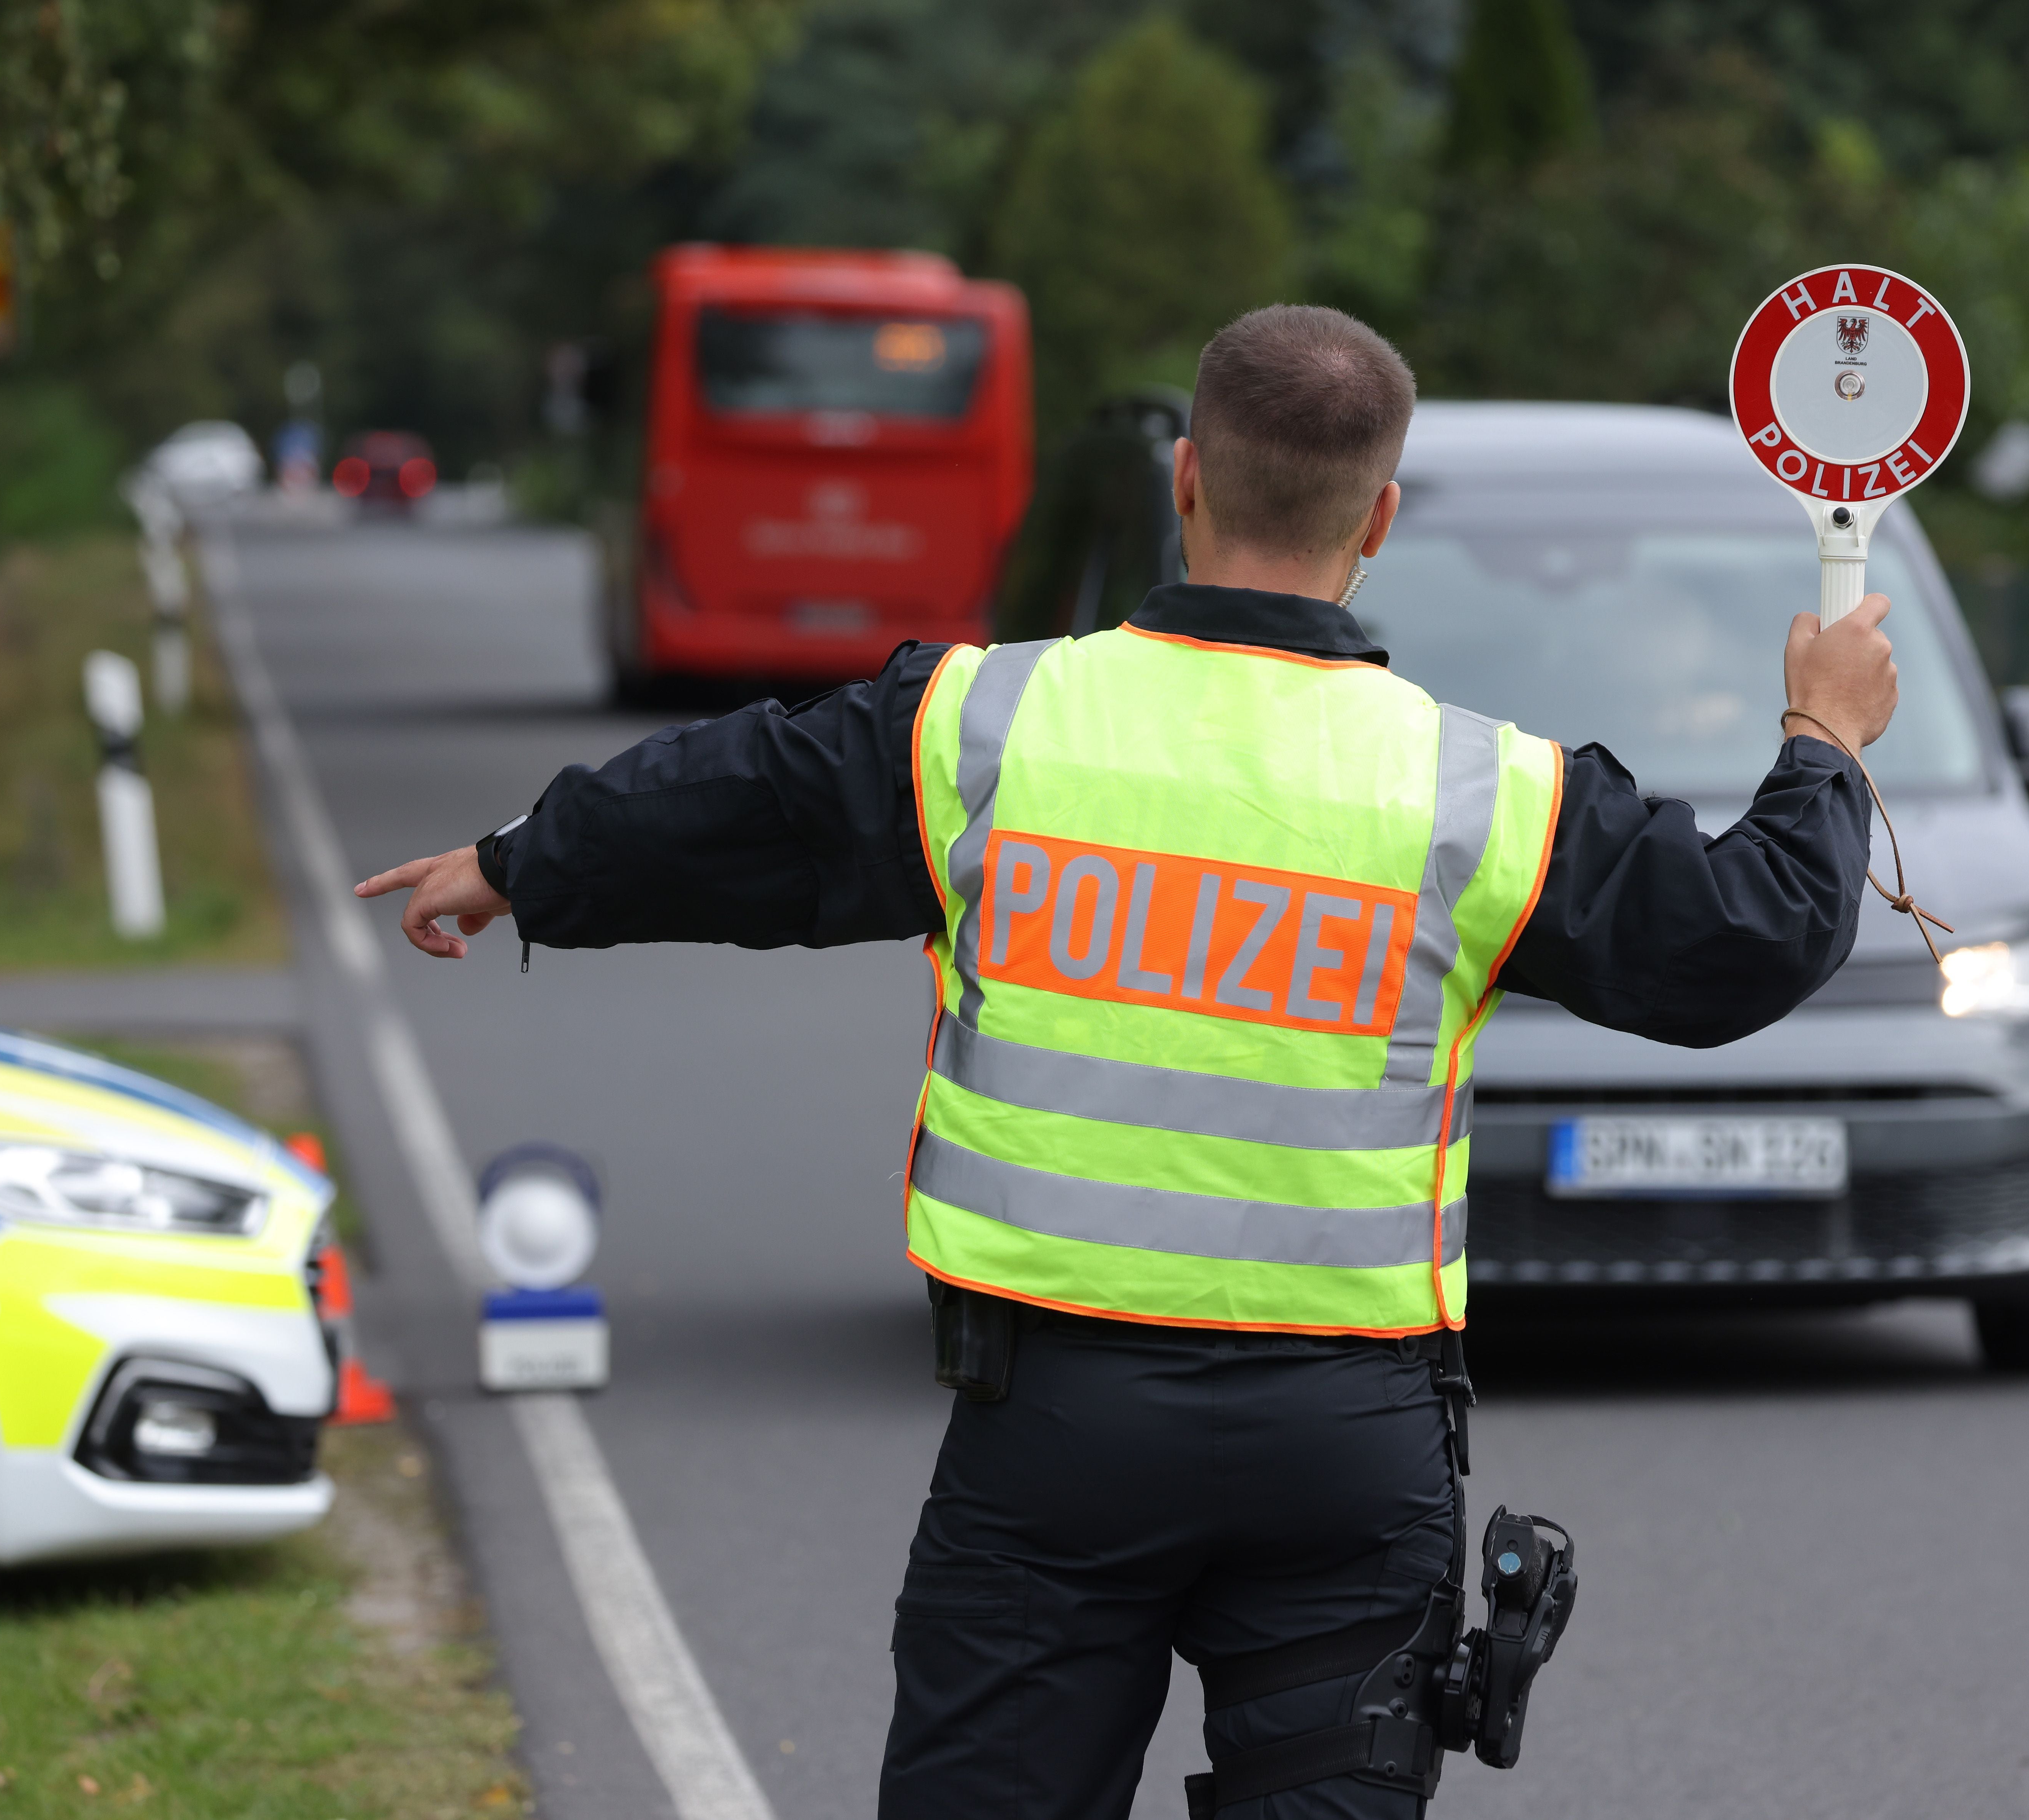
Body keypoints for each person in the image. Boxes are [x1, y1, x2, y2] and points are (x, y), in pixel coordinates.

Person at [358, 304, 1897, 1817]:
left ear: (1181, 482)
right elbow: (1742, 939)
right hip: (1344, 1450)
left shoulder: (987, 727)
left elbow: (729, 802)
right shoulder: (1479, 791)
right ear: (1381, 518)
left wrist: (516, 864)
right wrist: (1821, 737)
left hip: (1053, 1434)